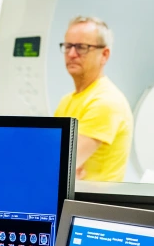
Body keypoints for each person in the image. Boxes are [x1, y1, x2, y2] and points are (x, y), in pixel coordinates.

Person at [53, 16, 134, 182]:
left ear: (104, 54)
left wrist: (59, 169)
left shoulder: (106, 102)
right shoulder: (66, 101)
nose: (72, 54)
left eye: (81, 47)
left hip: (94, 206)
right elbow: (51, 163)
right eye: (68, 46)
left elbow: (55, 170)